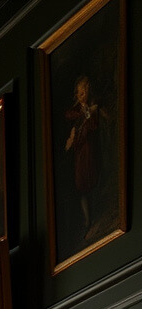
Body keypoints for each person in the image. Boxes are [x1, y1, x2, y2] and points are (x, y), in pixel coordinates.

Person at [65, 75, 106, 241]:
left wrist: (92, 111)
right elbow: (69, 115)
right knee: (81, 184)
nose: (83, 95)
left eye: (86, 91)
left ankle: (94, 217)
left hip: (90, 149)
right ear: (77, 94)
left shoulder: (93, 106)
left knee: (92, 180)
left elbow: (94, 125)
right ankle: (88, 221)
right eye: (81, 92)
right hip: (80, 153)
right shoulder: (76, 111)